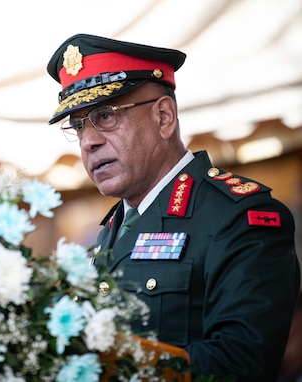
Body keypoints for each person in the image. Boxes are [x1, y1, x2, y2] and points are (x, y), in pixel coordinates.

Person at [46, 33, 300, 381]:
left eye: (105, 116)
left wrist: (112, 364)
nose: (88, 141)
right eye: (78, 125)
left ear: (164, 117)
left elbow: (240, 365)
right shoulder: (110, 231)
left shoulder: (239, 217)